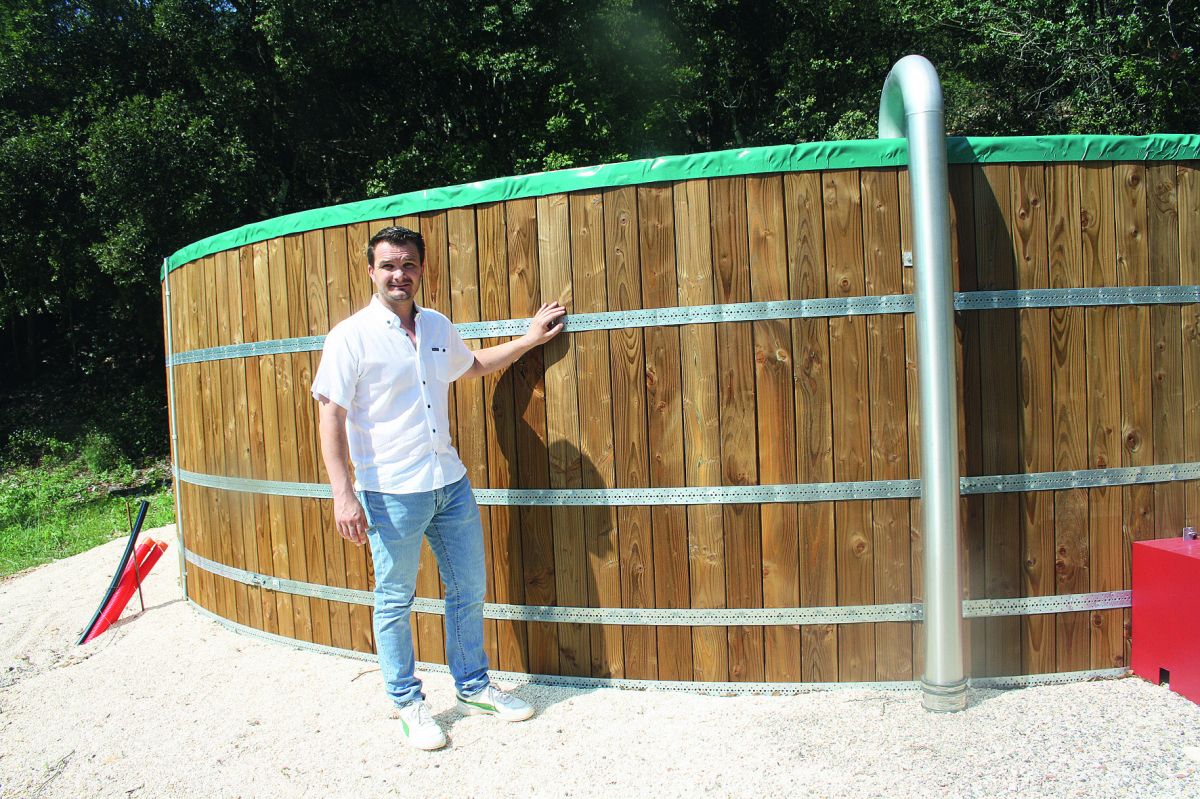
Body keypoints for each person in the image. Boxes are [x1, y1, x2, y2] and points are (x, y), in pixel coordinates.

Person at [311, 225, 566, 750]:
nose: (398, 274)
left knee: (468, 588)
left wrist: (529, 339)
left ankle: (473, 687)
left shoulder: (436, 326)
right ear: (371, 271)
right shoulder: (350, 336)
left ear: (421, 270)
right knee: (395, 600)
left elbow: (471, 367)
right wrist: (343, 493)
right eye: (388, 265)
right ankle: (408, 703)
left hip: (449, 485)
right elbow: (330, 416)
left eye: (407, 265)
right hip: (390, 494)